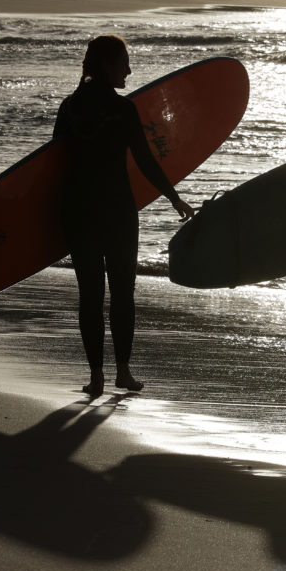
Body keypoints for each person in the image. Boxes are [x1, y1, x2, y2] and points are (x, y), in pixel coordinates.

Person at [54, 35, 195, 397]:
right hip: (116, 211)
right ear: (105, 65)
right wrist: (173, 196)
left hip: (79, 210)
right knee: (122, 294)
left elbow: (52, 166)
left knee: (90, 294)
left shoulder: (69, 108)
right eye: (123, 62)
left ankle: (97, 376)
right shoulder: (122, 109)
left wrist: (49, 218)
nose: (129, 70)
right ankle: (123, 372)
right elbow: (146, 160)